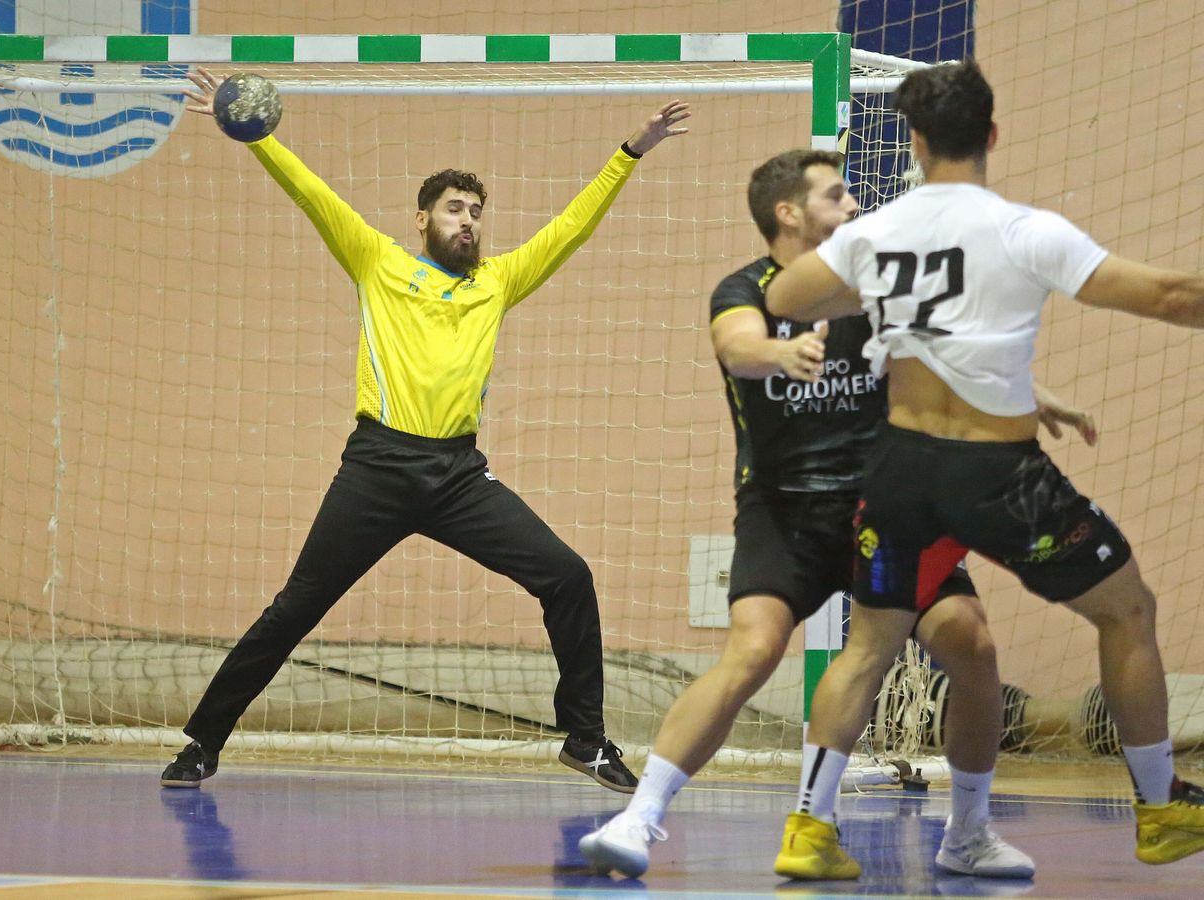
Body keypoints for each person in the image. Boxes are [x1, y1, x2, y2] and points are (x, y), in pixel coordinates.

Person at [158, 68, 693, 792]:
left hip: (458, 476)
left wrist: (629, 153)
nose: (468, 221)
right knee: (295, 608)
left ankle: (586, 739)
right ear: (421, 220)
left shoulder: (499, 281)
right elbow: (312, 193)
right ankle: (202, 742)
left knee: (568, 576)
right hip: (377, 468)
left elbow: (571, 226)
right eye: (453, 209)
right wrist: (256, 136)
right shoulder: (377, 261)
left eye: (476, 211)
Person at [579, 148, 1087, 880]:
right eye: (835, 195)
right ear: (789, 214)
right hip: (783, 513)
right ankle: (639, 817)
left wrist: (1032, 395)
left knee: (971, 644)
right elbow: (736, 345)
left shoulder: (878, 287)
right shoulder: (745, 290)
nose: (853, 205)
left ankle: (969, 834)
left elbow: (951, 352)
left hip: (884, 509)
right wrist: (776, 356)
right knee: (753, 651)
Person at [764, 58, 1204, 879]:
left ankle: (808, 831)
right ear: (992, 134)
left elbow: (785, 297)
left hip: (898, 469)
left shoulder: (874, 233)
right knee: (1127, 609)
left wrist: (880, 299)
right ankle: (1160, 808)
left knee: (868, 647)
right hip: (997, 476)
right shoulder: (1024, 230)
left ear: (916, 142)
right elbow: (1171, 297)